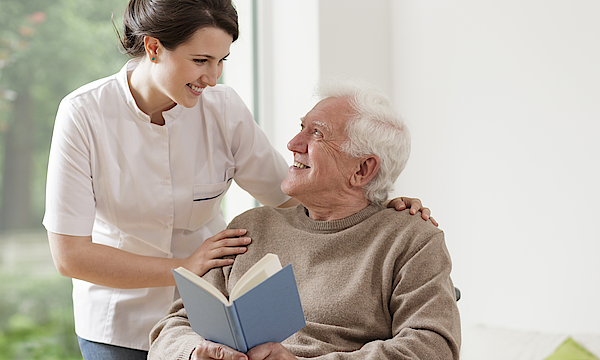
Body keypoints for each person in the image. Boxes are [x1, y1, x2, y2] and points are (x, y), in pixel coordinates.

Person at [42, 0, 433, 359]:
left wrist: (384, 210)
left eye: (221, 60)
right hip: (119, 320)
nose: (211, 77)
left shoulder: (223, 109)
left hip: (210, 321)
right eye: (200, 60)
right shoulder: (83, 115)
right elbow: (71, 255)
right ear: (153, 48)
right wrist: (186, 266)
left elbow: (298, 192)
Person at [147, 79, 461, 360]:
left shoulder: (412, 240)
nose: (293, 144)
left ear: (363, 169)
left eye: (316, 133)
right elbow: (172, 328)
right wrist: (194, 353)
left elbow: (434, 347)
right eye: (301, 127)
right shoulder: (250, 227)